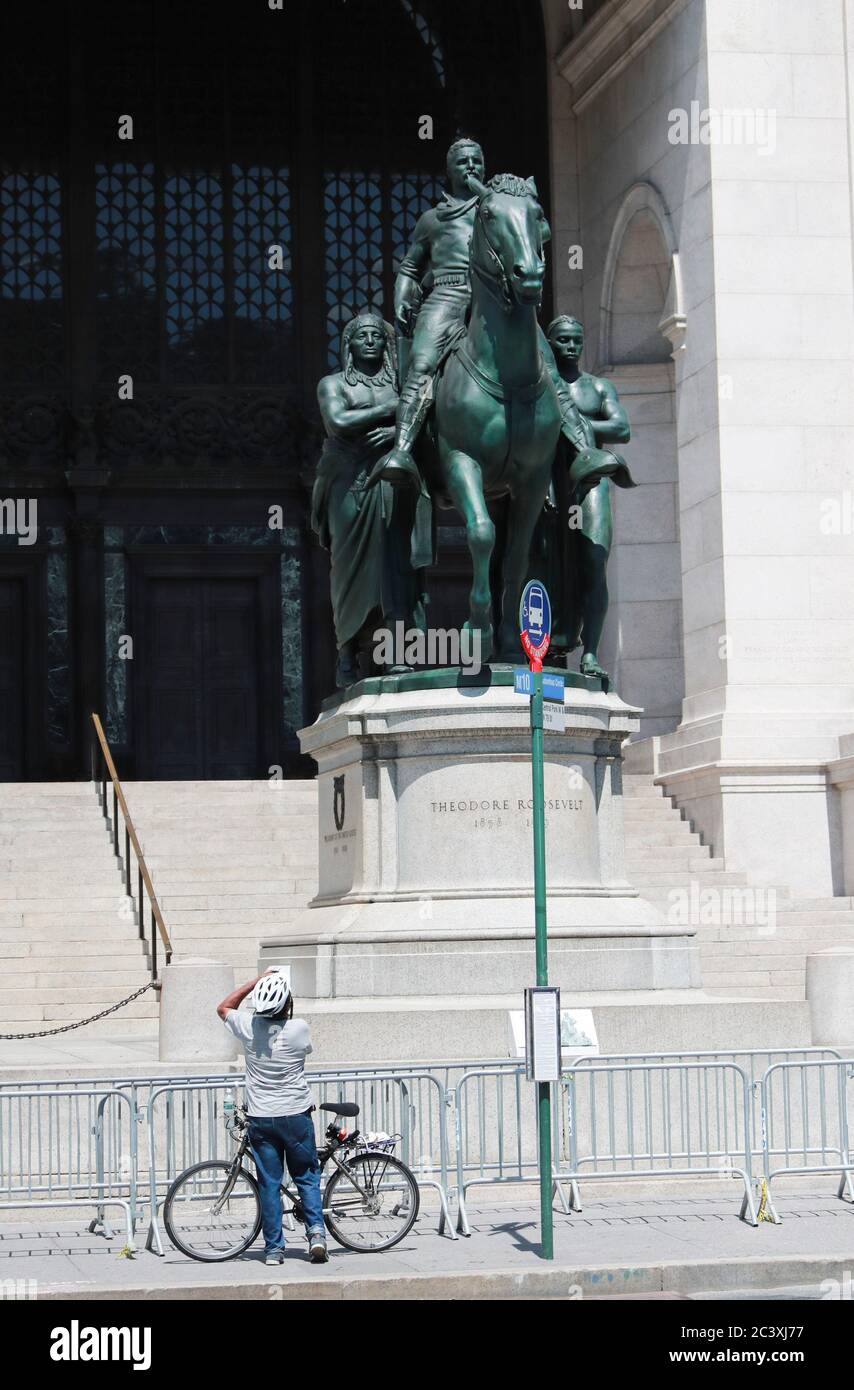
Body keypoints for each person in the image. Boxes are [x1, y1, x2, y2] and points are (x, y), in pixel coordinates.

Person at [313, 310, 426, 686]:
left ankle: (395, 653)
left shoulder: (401, 383)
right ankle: (347, 652)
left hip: (392, 479)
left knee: (396, 564)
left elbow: (428, 417)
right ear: (348, 344)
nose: (370, 340)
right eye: (362, 335)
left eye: (378, 335)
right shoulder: (333, 385)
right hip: (348, 480)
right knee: (349, 568)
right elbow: (338, 423)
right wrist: (395, 412)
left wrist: (398, 431)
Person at [216, 969, 328, 1265]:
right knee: (305, 1175)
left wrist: (256, 981)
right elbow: (306, 1050)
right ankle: (316, 1234)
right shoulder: (299, 1028)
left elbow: (224, 1007)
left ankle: (274, 1250)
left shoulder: (249, 1026)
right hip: (296, 1115)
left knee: (269, 1183)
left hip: (262, 1118)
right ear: (286, 1004)